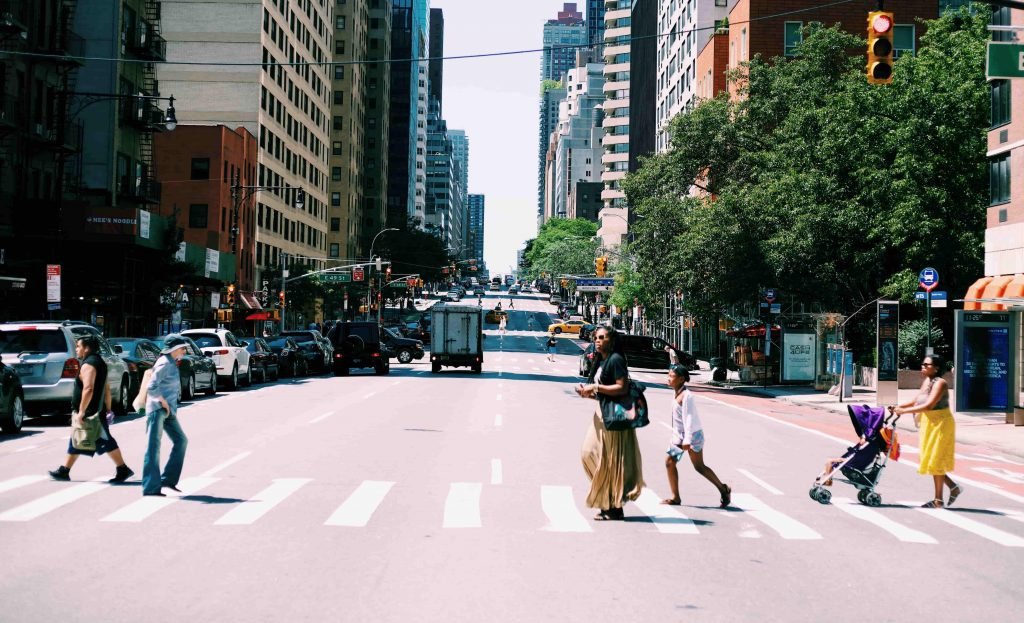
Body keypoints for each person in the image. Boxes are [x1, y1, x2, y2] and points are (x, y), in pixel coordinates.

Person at [574, 326, 644, 520]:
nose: (597, 340)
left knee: (610, 462)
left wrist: (595, 386)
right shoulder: (603, 361)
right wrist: (588, 394)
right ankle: (609, 500)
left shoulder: (616, 360)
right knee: (588, 453)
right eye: (596, 337)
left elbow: (622, 388)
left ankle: (612, 506)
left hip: (612, 419)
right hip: (602, 414)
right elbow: (604, 393)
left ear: (611, 340)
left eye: (602, 337)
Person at [49, 335, 134, 483]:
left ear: (86, 348)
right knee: (77, 438)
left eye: (78, 346)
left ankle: (122, 468)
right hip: (96, 410)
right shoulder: (99, 362)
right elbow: (106, 388)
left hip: (91, 412)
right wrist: (108, 407)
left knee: (105, 441)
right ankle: (64, 470)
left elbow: (88, 388)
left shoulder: (89, 364)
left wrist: (82, 412)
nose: (76, 350)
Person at [894, 355, 962, 508]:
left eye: (926, 365)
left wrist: (903, 412)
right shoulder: (927, 381)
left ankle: (938, 500)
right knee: (930, 459)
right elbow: (917, 400)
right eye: (922, 364)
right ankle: (953, 487)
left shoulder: (941, 383)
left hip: (941, 423)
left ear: (936, 367)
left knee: (936, 459)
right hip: (929, 422)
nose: (923, 367)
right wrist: (898, 407)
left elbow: (929, 405)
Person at [662, 365, 731, 507]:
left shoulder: (687, 396)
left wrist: (688, 440)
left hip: (692, 436)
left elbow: (689, 419)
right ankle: (675, 497)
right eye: (668, 375)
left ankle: (723, 489)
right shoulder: (677, 392)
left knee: (699, 467)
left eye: (671, 376)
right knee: (670, 462)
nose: (668, 378)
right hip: (680, 437)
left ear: (681, 379)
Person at [142, 335, 190, 497]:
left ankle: (168, 479)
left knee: (181, 440)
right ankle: (150, 487)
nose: (184, 351)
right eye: (183, 348)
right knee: (153, 448)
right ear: (174, 349)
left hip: (167, 411)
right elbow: (152, 386)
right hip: (157, 409)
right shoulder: (164, 363)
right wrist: (162, 401)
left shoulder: (170, 362)